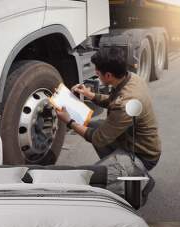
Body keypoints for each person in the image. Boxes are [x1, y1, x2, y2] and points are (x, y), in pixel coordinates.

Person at [55, 47, 161, 201]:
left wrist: (69, 121)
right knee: (95, 125)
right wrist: (90, 95)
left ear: (109, 75)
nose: (96, 74)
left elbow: (98, 138)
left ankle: (137, 184)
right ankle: (126, 169)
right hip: (133, 141)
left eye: (97, 73)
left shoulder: (125, 102)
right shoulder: (131, 78)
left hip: (143, 155)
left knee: (95, 179)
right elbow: (112, 100)